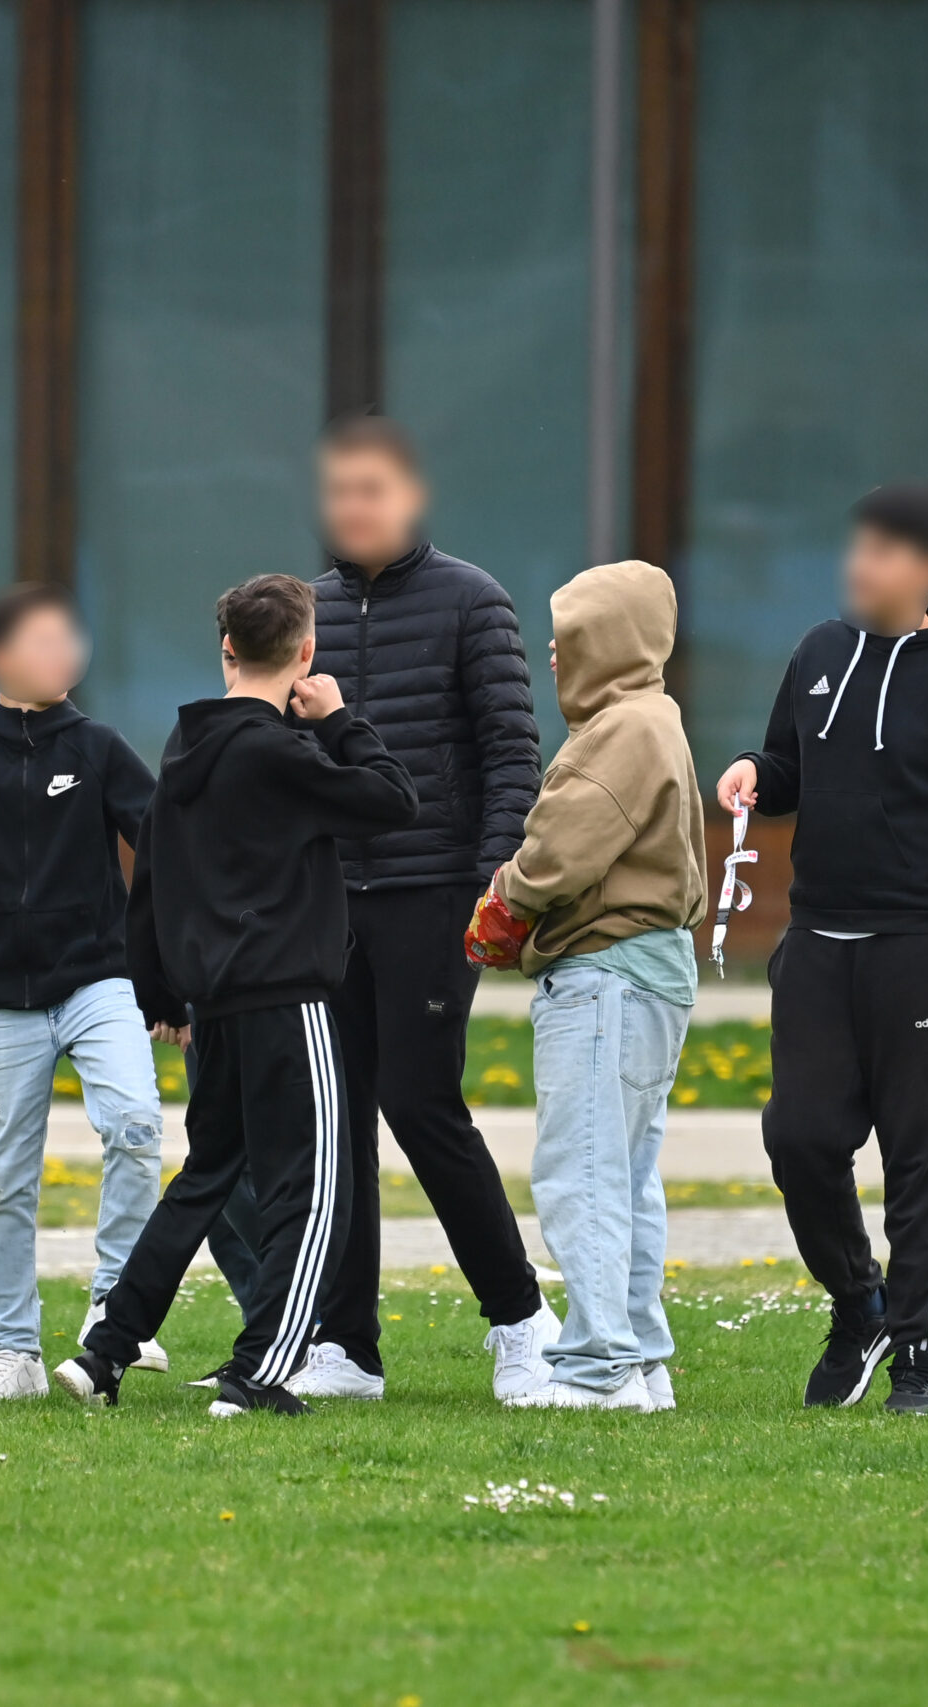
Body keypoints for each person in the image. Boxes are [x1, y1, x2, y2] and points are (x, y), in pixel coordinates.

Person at [54, 575, 417, 1417]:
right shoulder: (283, 750)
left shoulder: (184, 748)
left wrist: (164, 994)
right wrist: (337, 719)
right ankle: (260, 1372)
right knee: (314, 1185)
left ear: (224, 650)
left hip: (212, 999)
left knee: (207, 1175)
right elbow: (393, 800)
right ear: (306, 653)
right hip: (288, 995)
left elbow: (153, 878)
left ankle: (108, 1348)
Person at [715, 483, 928, 1416]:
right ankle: (860, 1305)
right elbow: (787, 769)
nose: (860, 565)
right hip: (817, 944)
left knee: (916, 1160)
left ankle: (919, 1362)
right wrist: (752, 776)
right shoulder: (818, 652)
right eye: (857, 548)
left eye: (884, 552)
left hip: (923, 954)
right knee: (798, 1138)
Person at [295, 413, 555, 1404]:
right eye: (339, 492)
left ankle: (523, 1323)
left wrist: (496, 876)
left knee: (420, 1104)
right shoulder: (304, 607)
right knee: (335, 1123)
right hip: (328, 905)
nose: (353, 509)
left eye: (372, 490)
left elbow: (510, 752)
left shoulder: (470, 600)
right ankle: (344, 1347)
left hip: (434, 894)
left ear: (411, 496)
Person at [0, 583, 168, 1401]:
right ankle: (14, 1352)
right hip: (0, 998)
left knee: (138, 1124)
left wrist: (172, 971)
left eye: (69, 639)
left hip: (99, 979)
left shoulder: (100, 746)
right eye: (44, 640)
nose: (64, 654)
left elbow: (161, 851)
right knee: (4, 1178)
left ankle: (112, 1316)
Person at [467, 563, 706, 1411]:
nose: (555, 658)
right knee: (629, 1174)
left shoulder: (621, 730)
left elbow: (561, 847)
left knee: (582, 1173)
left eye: (568, 642)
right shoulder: (657, 719)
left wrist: (504, 900)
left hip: (604, 971)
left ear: (608, 641)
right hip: (651, 972)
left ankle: (597, 1365)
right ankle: (640, 1361)